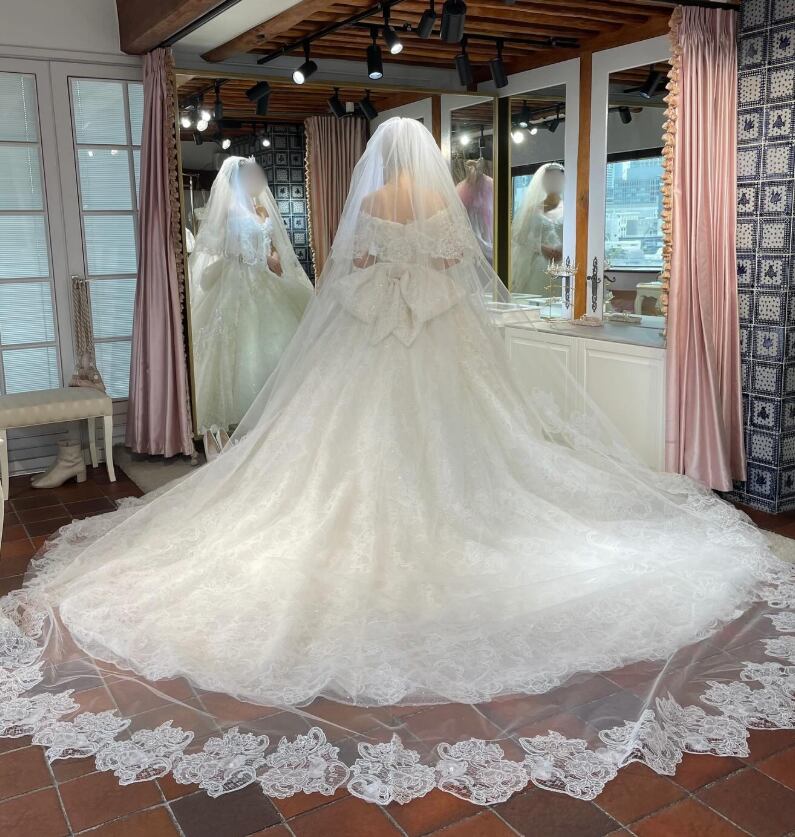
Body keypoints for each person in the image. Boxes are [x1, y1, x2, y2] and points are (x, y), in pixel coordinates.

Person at [1, 118, 793, 809]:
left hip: (373, 340)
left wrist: (387, 277)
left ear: (379, 160)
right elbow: (458, 268)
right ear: (427, 162)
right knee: (472, 439)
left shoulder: (374, 200)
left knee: (340, 441)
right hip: (440, 340)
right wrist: (423, 280)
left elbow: (350, 269)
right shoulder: (440, 203)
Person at [188, 156, 313, 455]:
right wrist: (259, 258)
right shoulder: (230, 210)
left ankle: (277, 420)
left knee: (280, 341)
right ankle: (227, 429)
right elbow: (227, 249)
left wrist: (273, 258)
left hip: (265, 280)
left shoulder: (260, 210)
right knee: (241, 347)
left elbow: (271, 246)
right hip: (239, 281)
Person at [511, 162, 564, 296]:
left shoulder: (572, 209)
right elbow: (519, 237)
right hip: (540, 264)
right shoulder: (532, 210)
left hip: (565, 263)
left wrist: (564, 249)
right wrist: (541, 247)